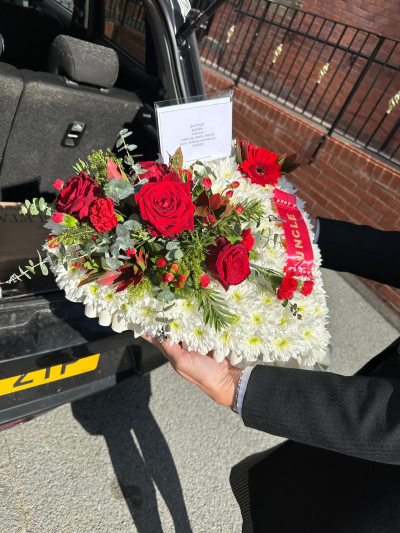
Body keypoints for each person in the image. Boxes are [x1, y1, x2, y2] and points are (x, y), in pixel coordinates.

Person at [143, 217, 400, 532]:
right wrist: (299, 232)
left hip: (377, 486)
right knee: (285, 491)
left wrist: (234, 385)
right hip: (347, 441)